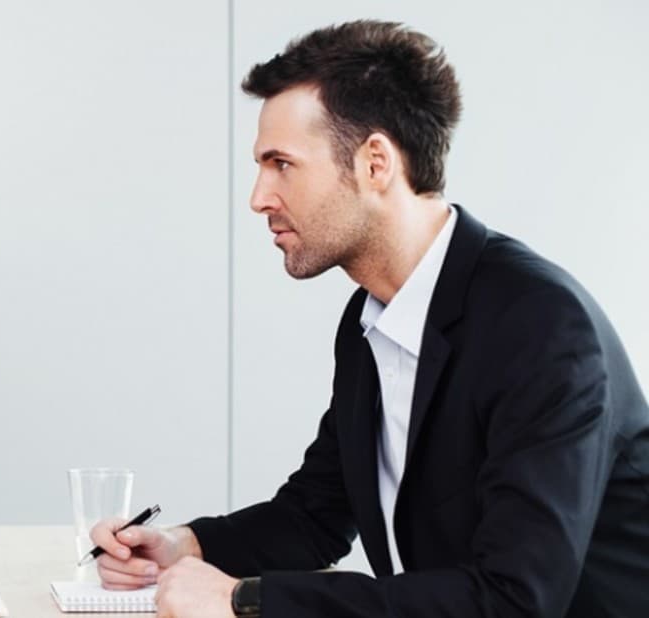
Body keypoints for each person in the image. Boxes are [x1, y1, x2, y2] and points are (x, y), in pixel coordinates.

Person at [90, 20, 649, 617]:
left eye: (282, 164)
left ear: (375, 163)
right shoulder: (373, 317)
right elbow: (316, 515)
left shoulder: (542, 329)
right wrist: (183, 545)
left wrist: (245, 600)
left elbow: (515, 600)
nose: (258, 197)